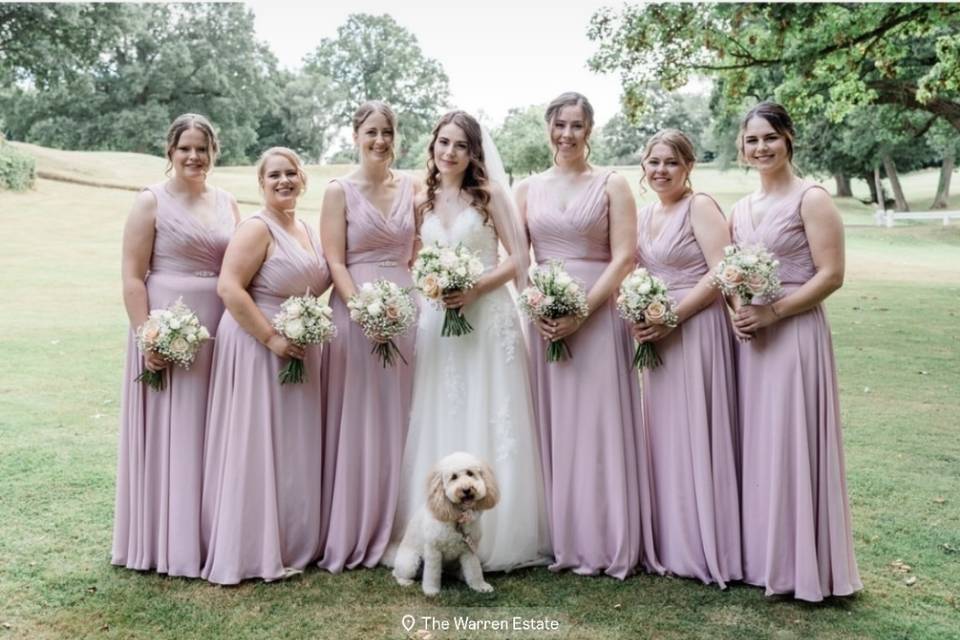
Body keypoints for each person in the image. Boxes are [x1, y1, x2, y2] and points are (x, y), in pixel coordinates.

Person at [391, 110, 549, 571]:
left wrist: (476, 285)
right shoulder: (423, 198)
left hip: (488, 317)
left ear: (473, 152)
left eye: (460, 145)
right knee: (446, 407)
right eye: (443, 142)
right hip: (441, 323)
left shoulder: (490, 195)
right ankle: (439, 531)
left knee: (491, 410)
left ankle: (499, 535)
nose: (449, 152)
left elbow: (518, 258)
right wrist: (434, 286)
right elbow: (417, 262)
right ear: (432, 146)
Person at [516, 92, 661, 579]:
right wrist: (534, 305)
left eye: (577, 125)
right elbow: (519, 260)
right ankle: (560, 536)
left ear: (590, 130)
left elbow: (624, 257)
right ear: (547, 128)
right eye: (559, 124)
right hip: (543, 320)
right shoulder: (528, 188)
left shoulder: (612, 184)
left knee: (599, 424)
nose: (567, 134)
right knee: (552, 424)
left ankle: (605, 537)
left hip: (598, 317)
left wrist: (581, 311)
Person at [730, 101, 861, 601]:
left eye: (769, 138)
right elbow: (732, 271)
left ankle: (803, 565)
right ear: (742, 149)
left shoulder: (812, 199)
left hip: (795, 333)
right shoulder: (741, 209)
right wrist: (741, 308)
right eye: (751, 140)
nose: (760, 148)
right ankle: (765, 558)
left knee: (793, 441)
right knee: (761, 444)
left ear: (788, 139)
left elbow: (832, 275)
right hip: (753, 339)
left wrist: (773, 312)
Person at [112, 113, 238, 577]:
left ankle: (210, 534)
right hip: (166, 325)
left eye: (202, 148)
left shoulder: (227, 202)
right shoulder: (150, 202)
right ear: (170, 152)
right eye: (185, 147)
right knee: (175, 429)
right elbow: (131, 276)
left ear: (213, 153)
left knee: (213, 428)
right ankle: (167, 541)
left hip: (217, 330)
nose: (193, 156)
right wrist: (147, 336)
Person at [200, 147, 330, 585]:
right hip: (258, 345)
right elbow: (229, 288)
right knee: (257, 441)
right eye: (274, 175)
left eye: (291, 173)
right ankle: (252, 545)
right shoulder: (256, 229)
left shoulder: (308, 229)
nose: (283, 181)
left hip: (300, 346)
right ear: (261, 183)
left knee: (291, 444)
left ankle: (293, 540)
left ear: (303, 178)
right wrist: (272, 337)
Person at [632, 128, 742, 586]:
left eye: (671, 163)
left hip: (696, 330)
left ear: (688, 167)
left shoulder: (700, 206)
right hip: (658, 336)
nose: (661, 170)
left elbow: (722, 270)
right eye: (654, 162)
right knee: (667, 437)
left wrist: (672, 316)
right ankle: (673, 541)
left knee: (700, 430)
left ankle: (707, 544)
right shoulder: (644, 216)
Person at [317, 101, 417, 572]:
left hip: (407, 311)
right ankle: (355, 523)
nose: (380, 141)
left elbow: (419, 249)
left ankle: (401, 522)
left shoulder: (412, 187)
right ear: (355, 134)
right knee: (359, 414)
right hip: (355, 312)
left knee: (403, 413)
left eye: (388, 133)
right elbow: (334, 259)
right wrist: (360, 310)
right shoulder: (339, 191)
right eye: (371, 132)